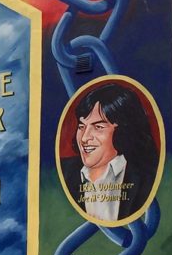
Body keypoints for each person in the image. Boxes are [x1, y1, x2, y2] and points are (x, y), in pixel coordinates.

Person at [61, 82, 159, 222]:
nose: (84, 137)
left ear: (124, 130)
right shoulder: (65, 172)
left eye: (98, 127)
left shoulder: (146, 175)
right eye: (81, 126)